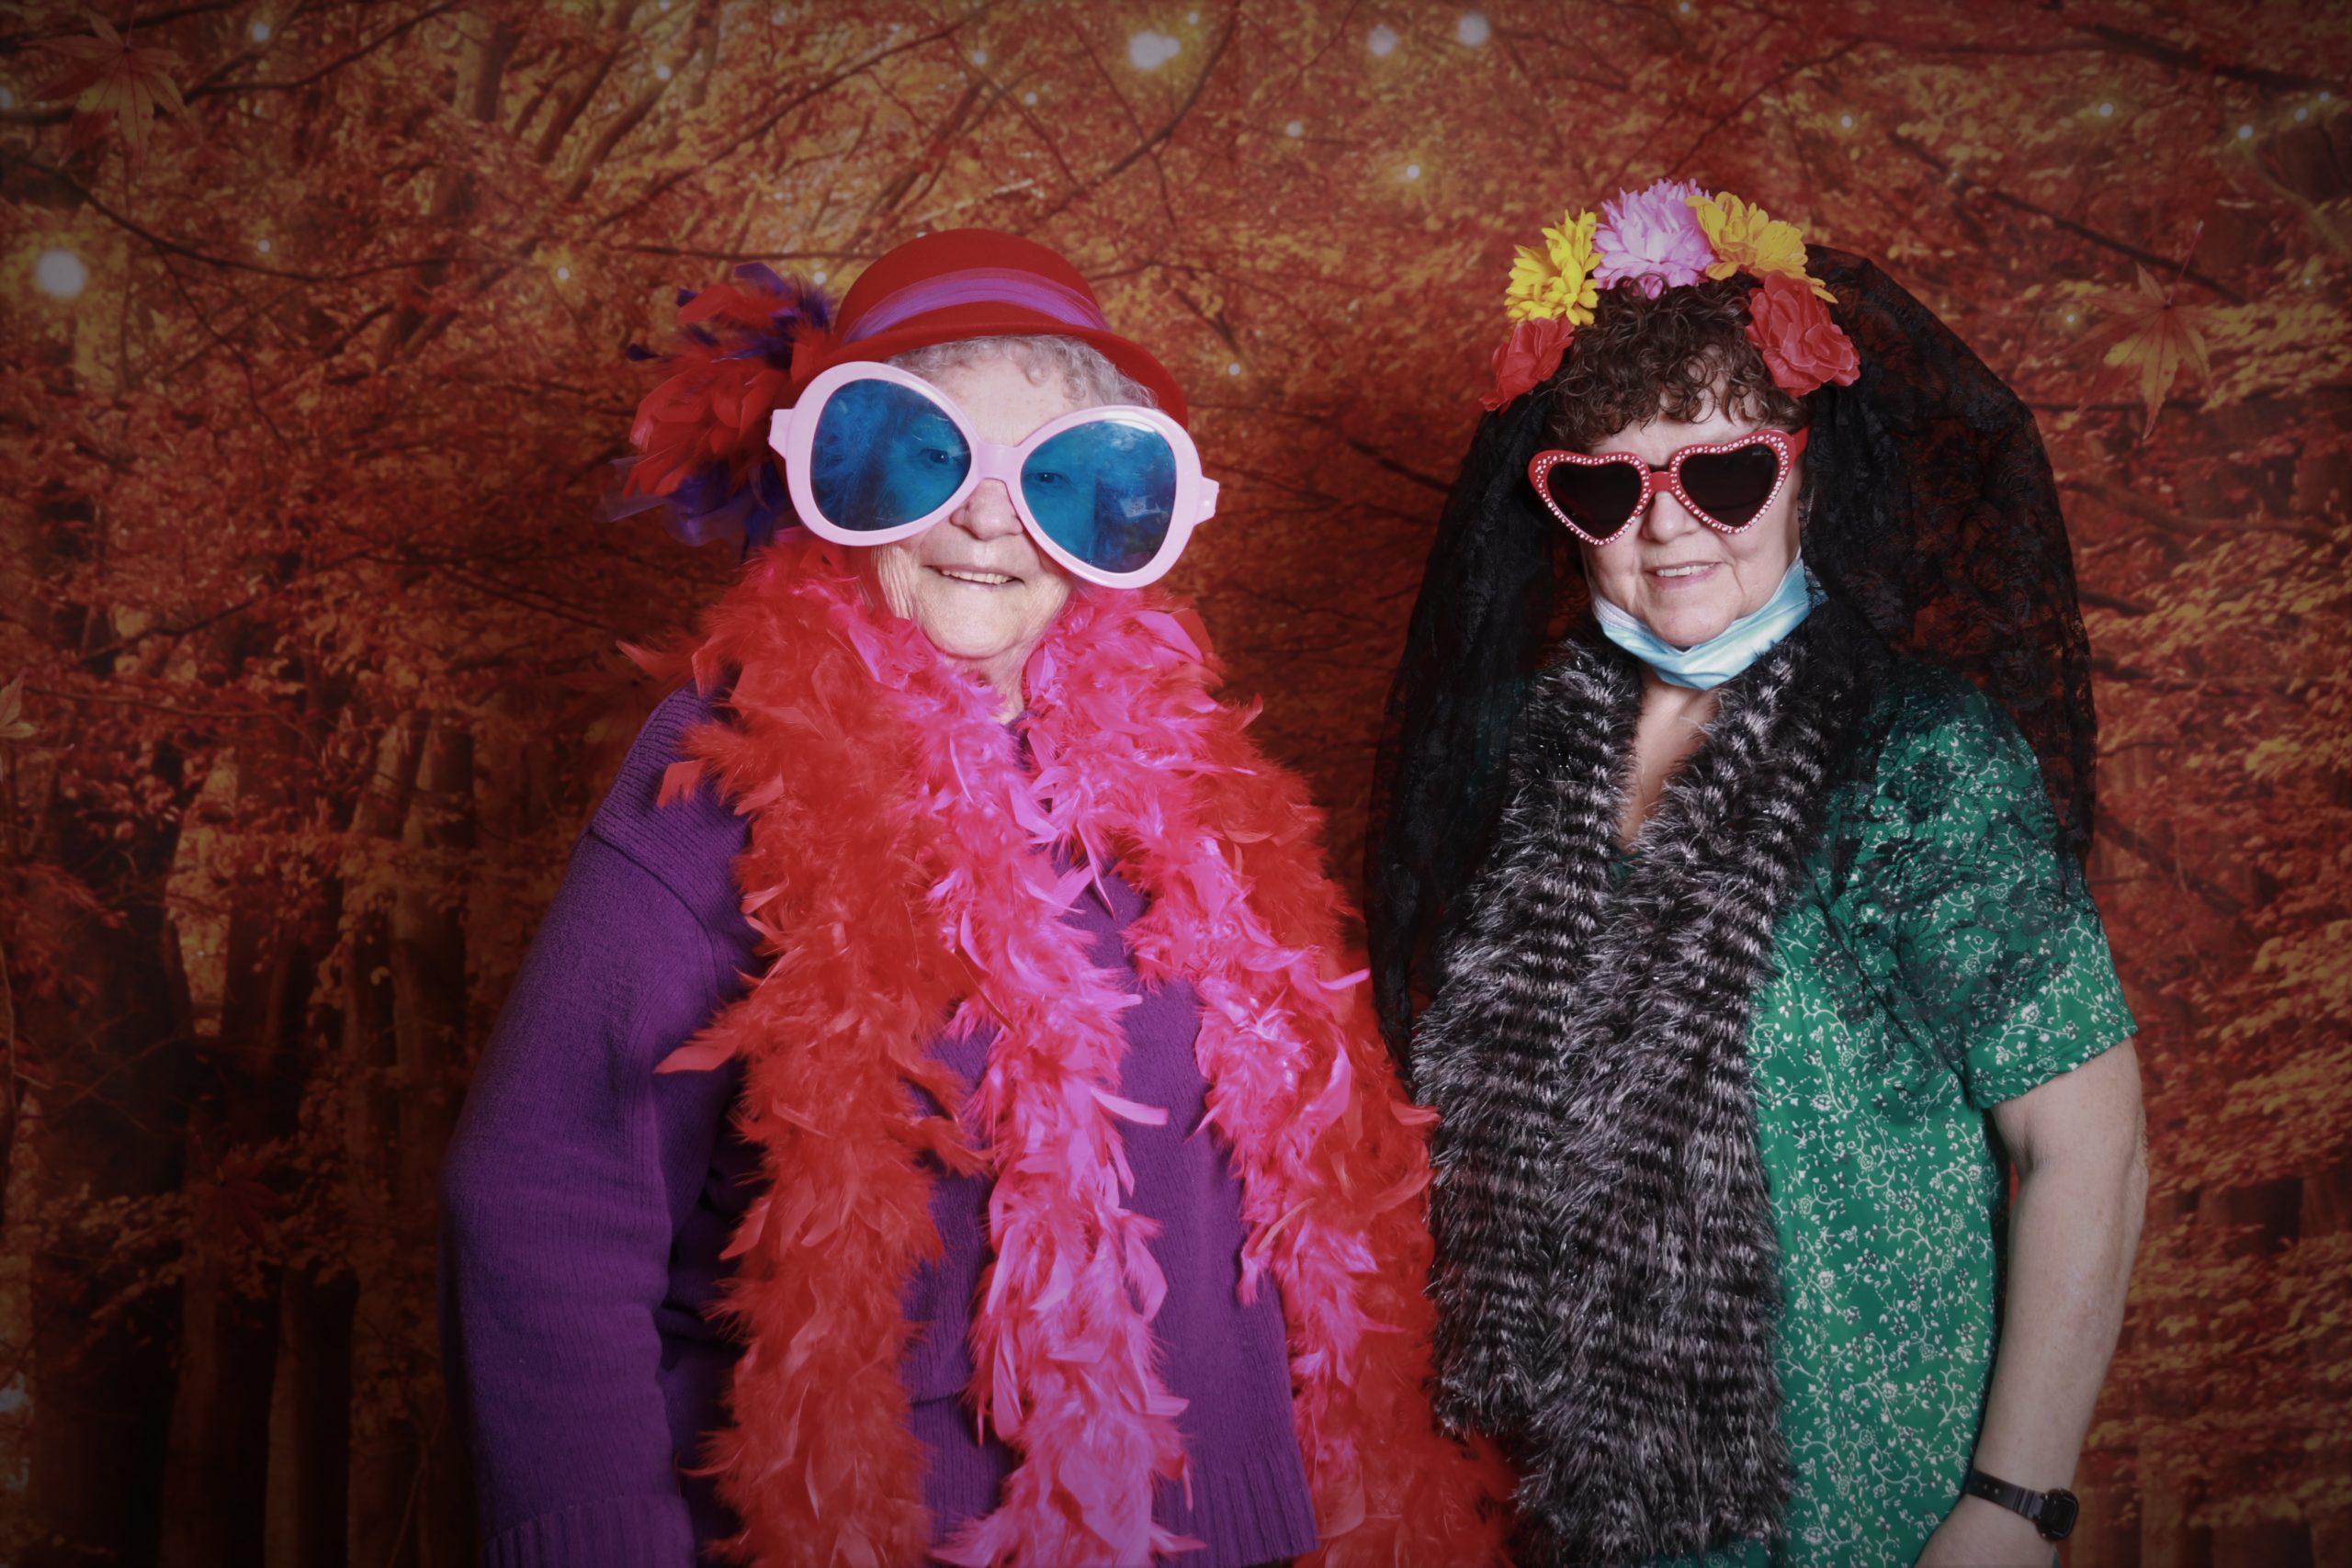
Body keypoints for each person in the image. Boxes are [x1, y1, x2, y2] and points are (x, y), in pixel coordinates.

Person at [437, 230, 1505, 1568]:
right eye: (925, 457)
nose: (991, 520)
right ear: (837, 477)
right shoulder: (719, 777)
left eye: (1057, 476)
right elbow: (541, 1207)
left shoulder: (1196, 782)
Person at [1367, 183, 2147, 1567]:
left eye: (1722, 474)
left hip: (1870, 1511)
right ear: (1562, 509)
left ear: (1803, 475)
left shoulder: (1917, 755)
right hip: (1580, 1518)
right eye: (1609, 485)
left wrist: (2016, 1506)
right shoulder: (1520, 755)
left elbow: (2087, 1144)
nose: (1669, 529)